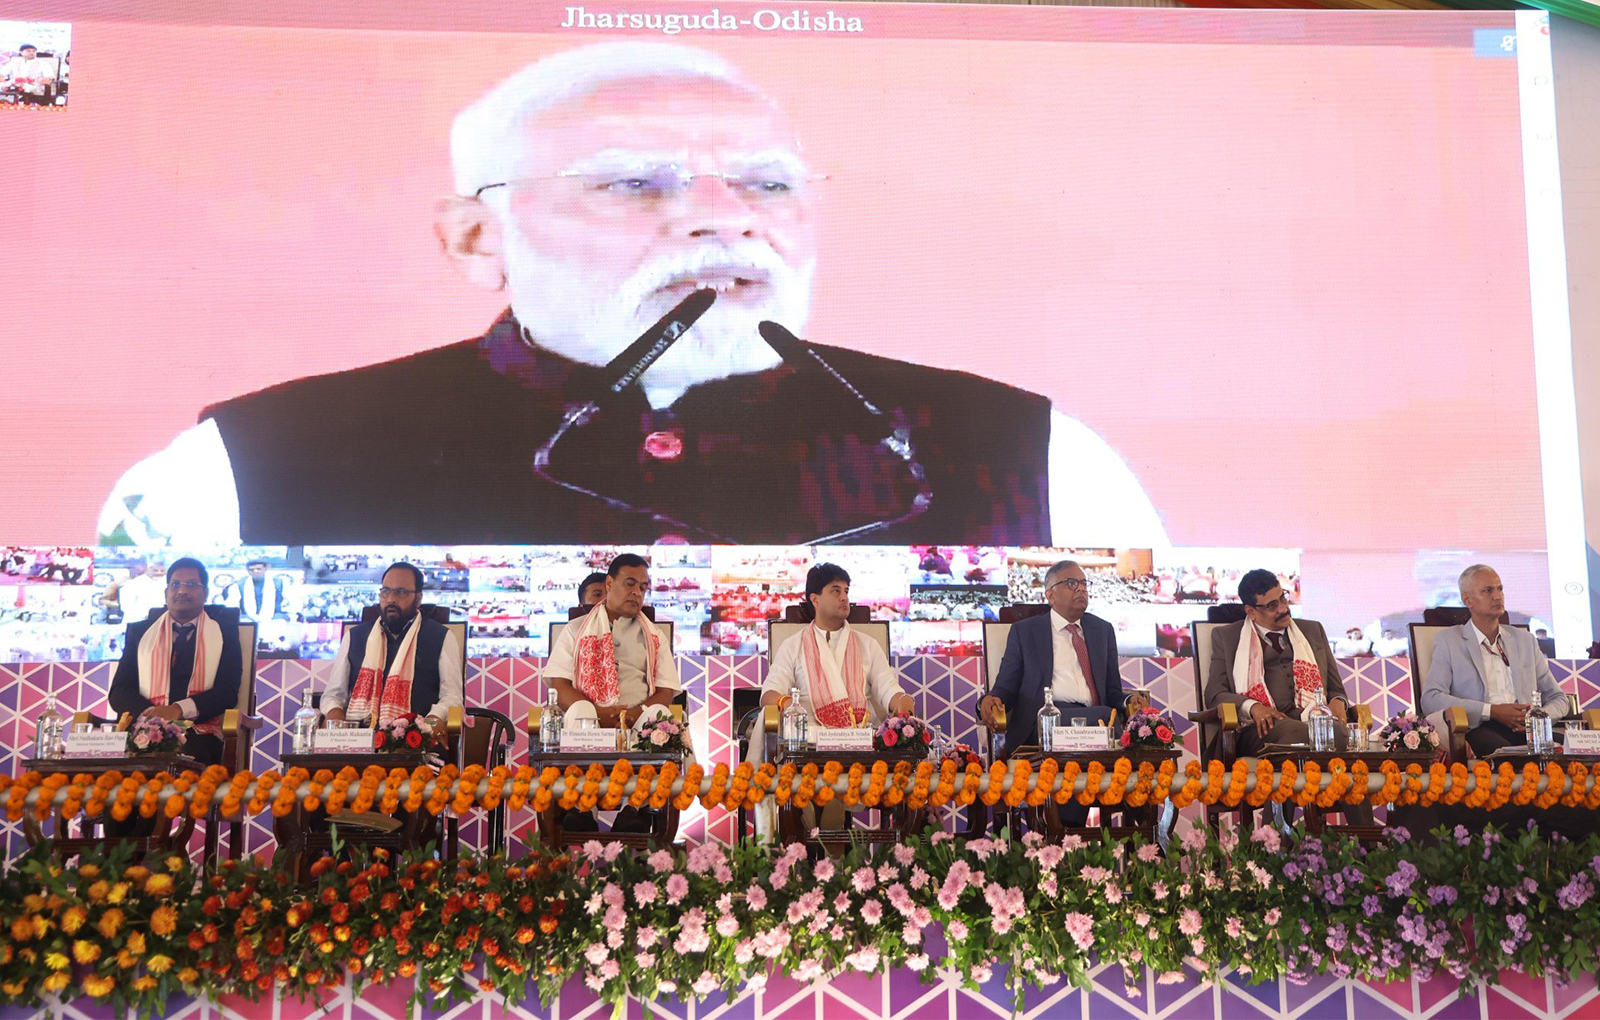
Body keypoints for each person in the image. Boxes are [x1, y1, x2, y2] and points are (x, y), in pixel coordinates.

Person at [98, 42, 1165, 548]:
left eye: (769, 182)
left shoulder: (1033, 456)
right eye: (630, 181)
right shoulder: (249, 467)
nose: (721, 215)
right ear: (478, 238)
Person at [546, 552, 681, 833]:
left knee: (659, 714)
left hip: (636, 722)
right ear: (609, 584)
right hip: (590, 722)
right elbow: (558, 685)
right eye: (629, 583)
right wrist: (598, 712)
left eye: (643, 588)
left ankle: (637, 809)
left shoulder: (655, 636)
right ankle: (582, 807)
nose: (636, 592)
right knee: (580, 711)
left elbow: (666, 690)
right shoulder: (574, 631)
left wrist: (634, 714)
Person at [978, 559, 1130, 753]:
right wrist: (988, 701)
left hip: (1096, 721)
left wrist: (1128, 702)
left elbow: (1112, 691)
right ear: (1050, 595)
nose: (1081, 589)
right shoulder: (1025, 632)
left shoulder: (1102, 630)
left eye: (1084, 583)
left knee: (1107, 718)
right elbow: (1006, 688)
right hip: (1047, 722)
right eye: (1071, 583)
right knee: (1104, 717)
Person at [1421, 564, 1570, 755]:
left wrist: (1537, 718)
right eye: (1487, 590)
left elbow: (1559, 699)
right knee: (1506, 754)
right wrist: (1493, 711)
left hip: (1530, 730)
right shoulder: (1450, 641)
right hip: (1481, 728)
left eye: (1500, 589)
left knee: (1576, 750)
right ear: (1467, 600)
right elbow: (1431, 698)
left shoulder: (1524, 640)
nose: (1497, 596)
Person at [107, 558, 242, 765]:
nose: (182, 591)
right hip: (142, 728)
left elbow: (227, 692)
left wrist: (178, 710)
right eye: (176, 584)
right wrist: (152, 717)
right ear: (166, 593)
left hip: (197, 733)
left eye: (191, 585)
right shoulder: (140, 632)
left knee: (187, 753)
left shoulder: (224, 632)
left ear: (205, 593)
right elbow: (119, 691)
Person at [1204, 568, 1354, 755]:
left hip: (1311, 718)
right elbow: (1214, 694)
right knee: (1318, 734)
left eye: (1283, 598)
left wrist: (1339, 701)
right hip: (1260, 728)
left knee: (1334, 733)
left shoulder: (1312, 631)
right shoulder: (1227, 637)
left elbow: (1336, 688)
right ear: (1251, 611)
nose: (1283, 608)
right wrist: (1253, 707)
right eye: (1272, 606)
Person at [761, 563, 914, 726]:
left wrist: (902, 700)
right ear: (815, 599)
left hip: (861, 739)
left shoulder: (868, 645)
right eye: (836, 591)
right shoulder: (792, 646)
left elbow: (888, 687)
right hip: (809, 739)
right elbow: (769, 694)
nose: (844, 597)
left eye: (846, 591)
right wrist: (790, 705)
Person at [319, 562, 464, 729]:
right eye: (386, 591)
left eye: (401, 592)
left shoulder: (440, 637)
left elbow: (452, 697)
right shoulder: (355, 637)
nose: (391, 599)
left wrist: (430, 723)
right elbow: (333, 695)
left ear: (418, 598)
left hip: (415, 744)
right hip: (357, 741)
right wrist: (334, 717)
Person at [101, 559, 168, 624]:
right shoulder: (132, 584)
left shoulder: (168, 584)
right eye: (155, 570)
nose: (159, 573)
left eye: (162, 571)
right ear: (147, 569)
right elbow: (126, 607)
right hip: (137, 623)